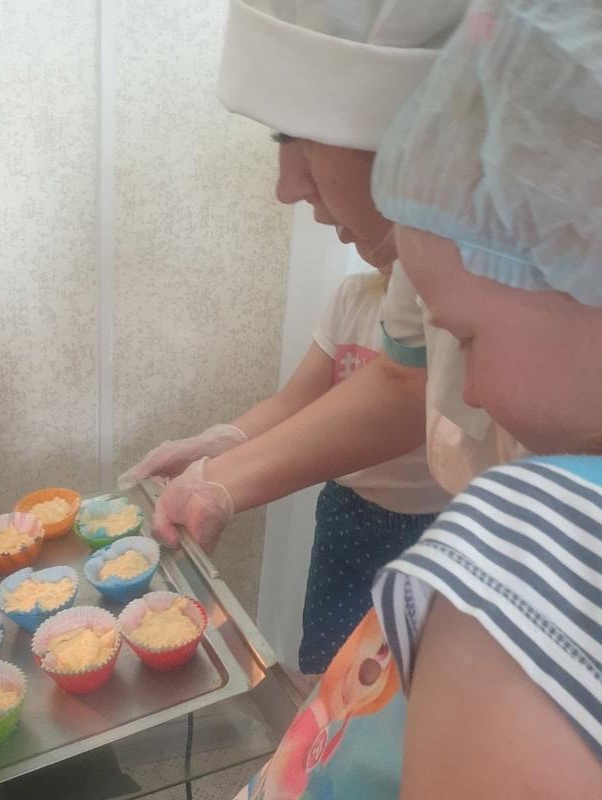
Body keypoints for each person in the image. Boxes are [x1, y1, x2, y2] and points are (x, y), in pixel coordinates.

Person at [236, 1, 602, 797]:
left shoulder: (526, 552)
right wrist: (221, 472)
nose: (467, 391)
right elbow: (400, 377)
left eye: (465, 340)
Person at [120, 0, 468, 672]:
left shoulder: (482, 254)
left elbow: (410, 386)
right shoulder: (405, 265)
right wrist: (218, 463)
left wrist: (219, 479)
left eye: (297, 135)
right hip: (350, 524)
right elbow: (402, 379)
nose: (286, 188)